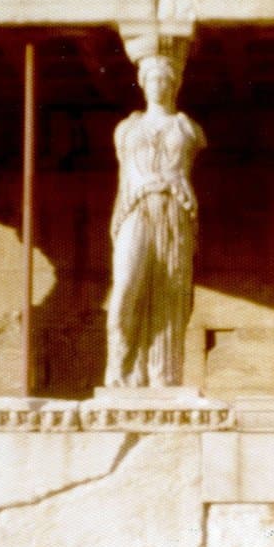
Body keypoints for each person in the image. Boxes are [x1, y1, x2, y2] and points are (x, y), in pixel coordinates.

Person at [104, 50, 206, 387]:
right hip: (136, 206)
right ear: (143, 84)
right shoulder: (127, 128)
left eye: (164, 79)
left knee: (170, 291)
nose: (158, 85)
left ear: (174, 84)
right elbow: (123, 177)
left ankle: (164, 376)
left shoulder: (186, 127)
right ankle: (120, 371)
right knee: (125, 289)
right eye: (151, 79)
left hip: (175, 207)